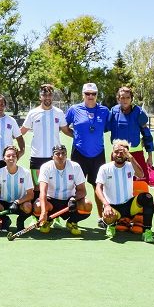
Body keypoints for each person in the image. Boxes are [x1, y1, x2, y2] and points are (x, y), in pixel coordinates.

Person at [65, 83, 110, 226]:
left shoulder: (104, 111)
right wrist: (76, 136)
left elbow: (108, 128)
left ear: (97, 95)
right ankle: (74, 219)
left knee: (99, 185)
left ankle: (101, 217)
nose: (90, 96)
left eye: (94, 94)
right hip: (79, 153)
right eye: (87, 94)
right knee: (75, 186)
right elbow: (64, 127)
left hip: (98, 154)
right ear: (82, 94)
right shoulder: (74, 109)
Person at [95, 140, 154, 242]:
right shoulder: (104, 168)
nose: (119, 154)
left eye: (122, 152)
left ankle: (147, 231)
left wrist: (130, 157)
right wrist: (106, 205)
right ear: (112, 153)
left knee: (148, 197)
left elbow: (141, 175)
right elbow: (98, 188)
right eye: (116, 152)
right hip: (113, 207)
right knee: (108, 217)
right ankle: (111, 225)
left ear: (127, 154)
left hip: (130, 206)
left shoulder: (130, 166)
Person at [21, 84, 70, 198]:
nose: (47, 97)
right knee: (38, 188)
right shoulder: (33, 113)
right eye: (44, 95)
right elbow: (22, 131)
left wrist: (80, 136)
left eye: (49, 95)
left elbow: (66, 130)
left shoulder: (59, 112)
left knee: (52, 187)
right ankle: (38, 214)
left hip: (55, 157)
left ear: (52, 96)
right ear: (40, 97)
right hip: (37, 156)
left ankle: (52, 215)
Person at [34, 145, 93, 235]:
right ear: (52, 157)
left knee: (87, 205)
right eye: (57, 154)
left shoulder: (75, 166)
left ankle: (72, 222)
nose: (61, 156)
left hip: (69, 203)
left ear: (66, 155)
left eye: (63, 153)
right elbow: (43, 192)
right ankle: (48, 220)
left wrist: (74, 199)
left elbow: (82, 190)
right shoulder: (46, 167)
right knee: (37, 207)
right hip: (51, 202)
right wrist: (43, 212)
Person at [0, 146, 34, 232]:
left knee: (28, 206)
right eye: (8, 156)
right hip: (3, 203)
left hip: (20, 203)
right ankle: (5, 221)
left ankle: (20, 221)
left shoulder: (25, 173)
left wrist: (17, 202)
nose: (11, 158)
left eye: (13, 156)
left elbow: (30, 194)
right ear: (4, 159)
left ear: (17, 158)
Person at [107, 86, 154, 176]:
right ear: (118, 99)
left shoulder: (138, 112)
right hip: (118, 153)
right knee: (116, 180)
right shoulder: (113, 112)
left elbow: (147, 135)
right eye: (122, 97)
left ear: (131, 99)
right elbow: (104, 127)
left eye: (128, 97)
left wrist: (150, 156)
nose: (125, 100)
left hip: (136, 152)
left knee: (141, 179)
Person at [0, 94, 26, 179]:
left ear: (5, 105)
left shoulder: (11, 120)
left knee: (4, 187)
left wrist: (22, 151)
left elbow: (19, 137)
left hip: (6, 161)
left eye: (2, 105)